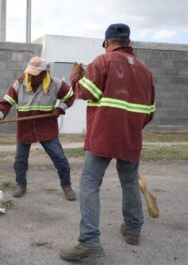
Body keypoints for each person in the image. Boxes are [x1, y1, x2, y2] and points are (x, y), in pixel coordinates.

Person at [59, 23, 156, 261]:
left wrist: (75, 76)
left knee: (90, 184)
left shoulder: (103, 62)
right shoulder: (146, 71)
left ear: (106, 43)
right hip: (130, 137)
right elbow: (150, 112)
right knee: (130, 183)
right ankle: (133, 230)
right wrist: (130, 127)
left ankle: (90, 242)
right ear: (129, 43)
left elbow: (84, 93)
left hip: (104, 135)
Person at [0, 56, 76, 201]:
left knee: (60, 159)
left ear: (44, 74)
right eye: (28, 73)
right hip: (25, 128)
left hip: (46, 127)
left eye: (33, 75)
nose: (29, 77)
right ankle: (21, 185)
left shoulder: (56, 84)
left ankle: (67, 186)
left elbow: (70, 96)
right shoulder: (19, 83)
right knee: (20, 160)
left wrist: (60, 109)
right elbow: (6, 102)